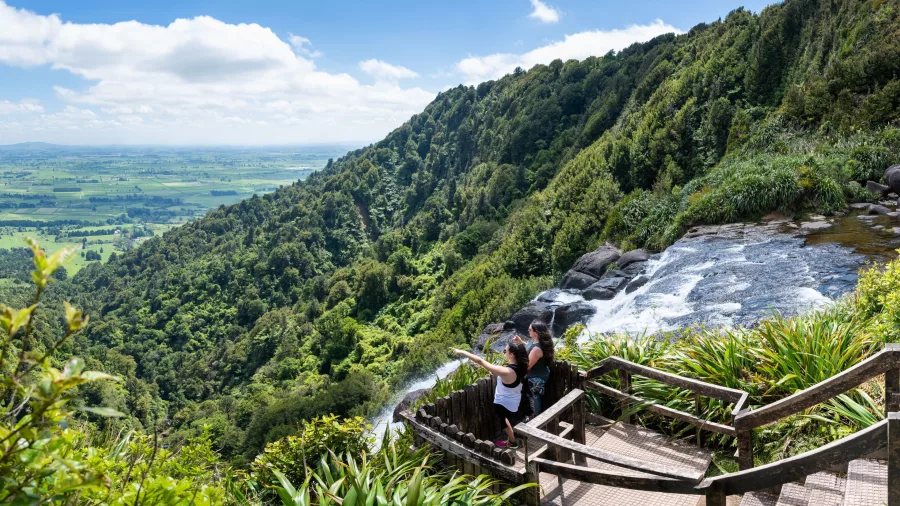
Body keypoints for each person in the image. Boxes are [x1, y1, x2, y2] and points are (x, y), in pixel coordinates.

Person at [451, 342, 529, 449]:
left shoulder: (507, 371)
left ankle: (512, 442)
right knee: (509, 419)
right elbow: (508, 377)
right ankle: (515, 439)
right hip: (514, 400)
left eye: (505, 351)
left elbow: (480, 361)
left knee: (504, 422)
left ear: (512, 355)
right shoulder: (522, 367)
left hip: (502, 402)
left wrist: (461, 351)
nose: (504, 353)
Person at [513, 320, 554, 417]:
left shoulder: (537, 349)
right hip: (537, 374)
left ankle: (536, 418)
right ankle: (535, 416)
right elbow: (529, 346)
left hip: (537, 377)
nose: (528, 331)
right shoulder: (535, 341)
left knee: (534, 397)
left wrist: (511, 370)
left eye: (530, 329)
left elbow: (527, 366)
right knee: (533, 396)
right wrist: (520, 342)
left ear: (536, 332)